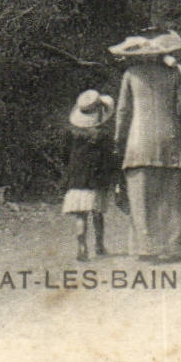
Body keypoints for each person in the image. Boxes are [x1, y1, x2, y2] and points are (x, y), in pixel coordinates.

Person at [110, 28, 181, 262]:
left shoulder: (131, 74)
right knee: (172, 196)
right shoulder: (174, 74)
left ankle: (147, 247)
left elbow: (123, 111)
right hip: (170, 139)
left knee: (141, 197)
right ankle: (174, 247)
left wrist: (119, 139)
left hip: (138, 143)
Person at [61, 89, 118, 261]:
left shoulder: (71, 133)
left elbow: (65, 154)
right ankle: (99, 245)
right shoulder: (104, 135)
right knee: (97, 213)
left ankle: (81, 246)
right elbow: (109, 158)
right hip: (96, 178)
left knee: (80, 214)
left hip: (77, 178)